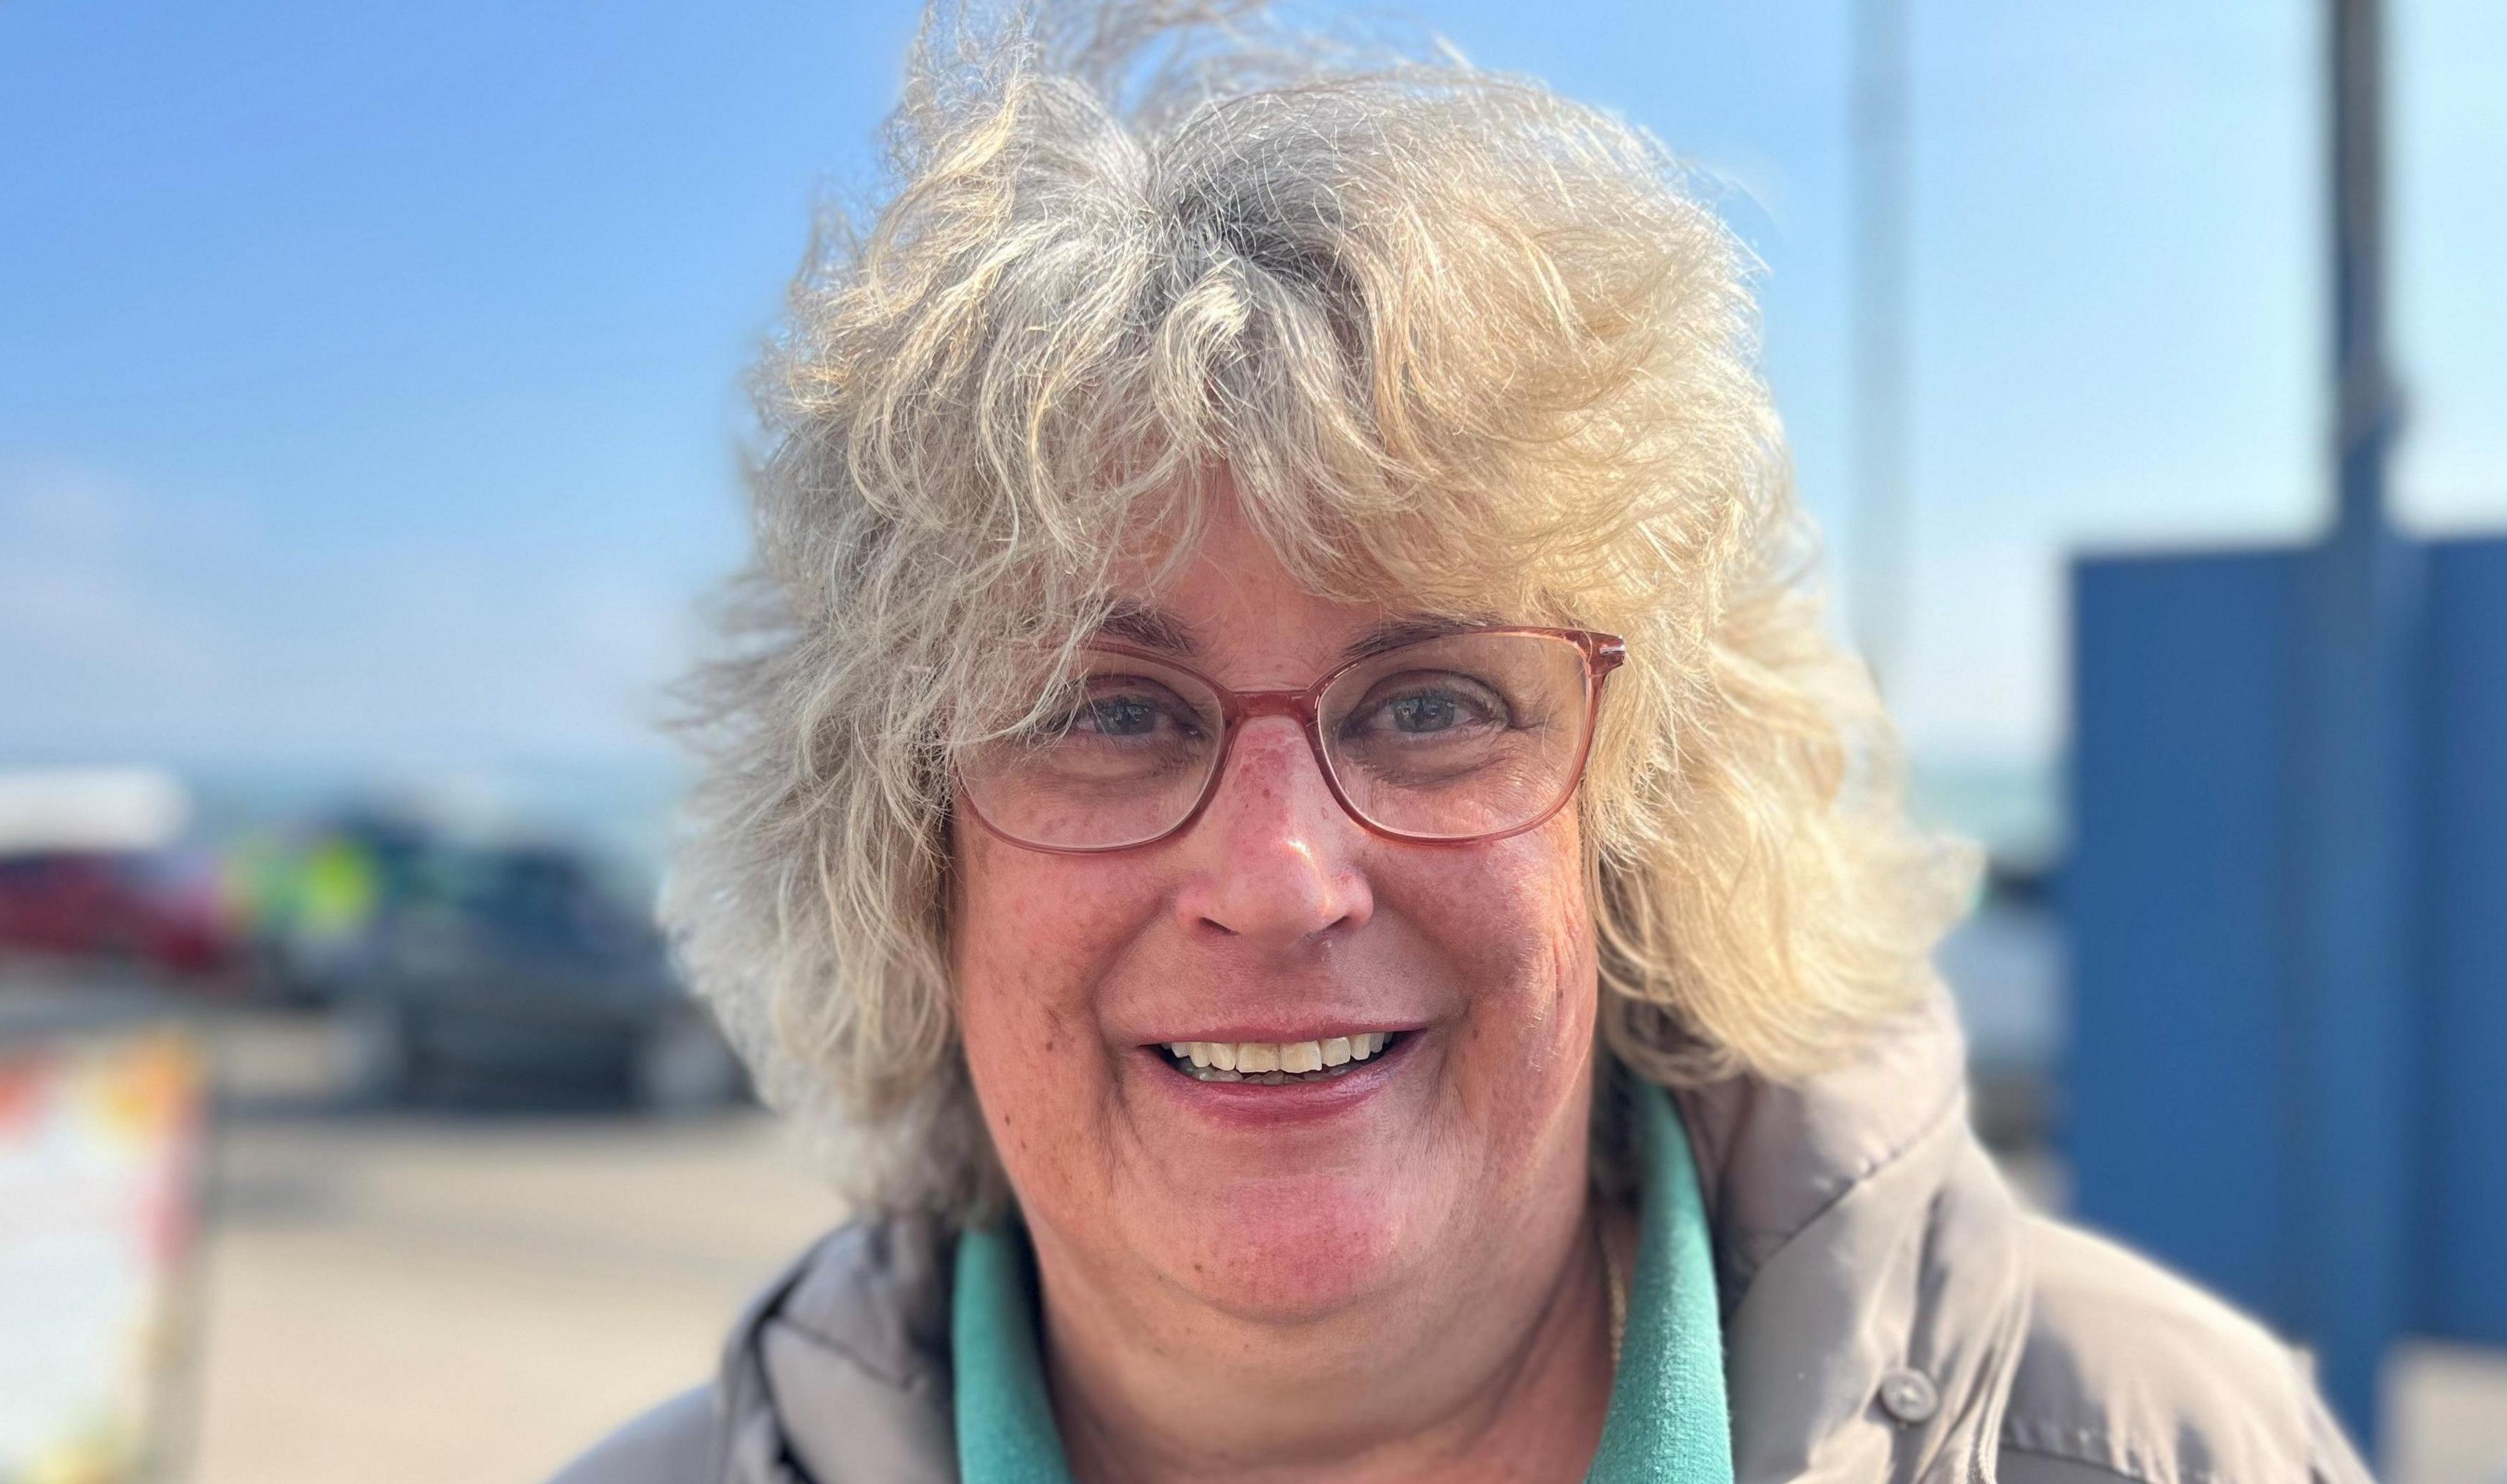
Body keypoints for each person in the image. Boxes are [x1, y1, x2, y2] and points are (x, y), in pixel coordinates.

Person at [557, 3, 2373, 1480]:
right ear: (902, 858)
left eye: (1434, 705)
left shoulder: (2162, 1445)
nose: (1275, 877)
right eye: (1107, 714)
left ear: (1642, 822)